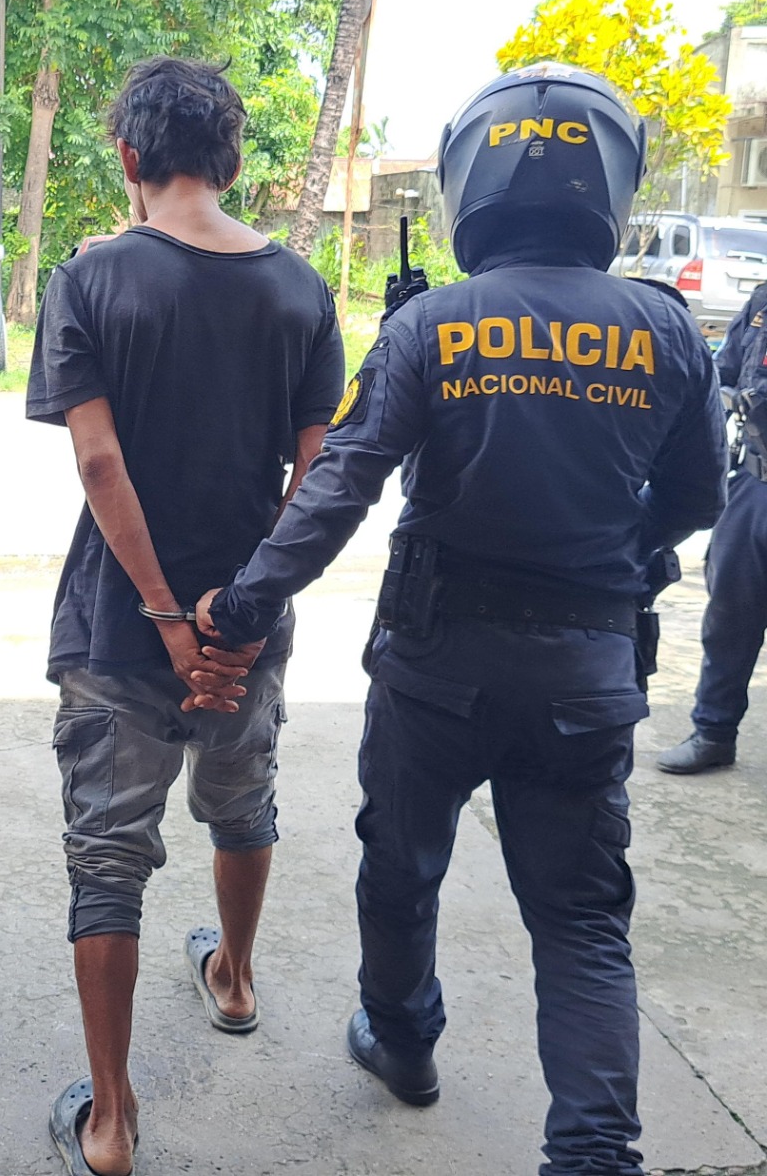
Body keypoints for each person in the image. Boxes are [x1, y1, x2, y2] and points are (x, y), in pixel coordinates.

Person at [199, 65, 727, 1175]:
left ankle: (403, 1042)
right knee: (581, 922)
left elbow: (337, 488)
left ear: (470, 182)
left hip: (435, 668)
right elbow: (695, 501)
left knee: (401, 870)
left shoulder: (434, 326)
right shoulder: (668, 329)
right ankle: (594, 1150)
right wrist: (616, 553)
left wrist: (242, 604)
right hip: (586, 672)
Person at [27, 56, 344, 1176]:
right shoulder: (301, 289)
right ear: (233, 162)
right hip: (249, 629)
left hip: (120, 624)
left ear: (128, 156)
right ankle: (236, 979)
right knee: (242, 802)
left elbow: (99, 462)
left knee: (108, 859)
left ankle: (112, 1122)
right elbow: (318, 479)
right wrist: (241, 618)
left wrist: (167, 616)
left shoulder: (90, 279)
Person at [657, 279, 767, 774]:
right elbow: (723, 371)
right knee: (730, 614)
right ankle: (714, 731)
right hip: (756, 482)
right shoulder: (764, 302)